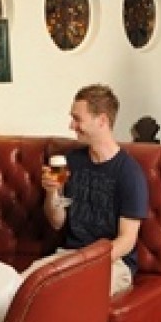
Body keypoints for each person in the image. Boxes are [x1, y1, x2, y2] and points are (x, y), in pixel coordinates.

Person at [25, 84, 149, 297]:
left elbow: (126, 241)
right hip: (70, 255)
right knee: (21, 286)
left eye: (77, 119)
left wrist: (84, 263)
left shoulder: (129, 173)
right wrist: (52, 192)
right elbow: (57, 222)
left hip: (114, 263)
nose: (71, 125)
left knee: (68, 295)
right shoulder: (71, 162)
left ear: (102, 120)